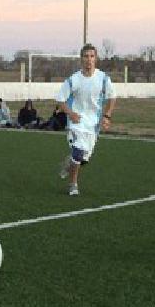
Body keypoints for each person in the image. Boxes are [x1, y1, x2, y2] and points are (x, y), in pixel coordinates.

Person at [56, 43, 117, 196]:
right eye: (85, 56)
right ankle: (73, 185)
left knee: (83, 159)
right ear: (81, 59)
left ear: (95, 59)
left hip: (93, 126)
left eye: (92, 56)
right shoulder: (73, 80)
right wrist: (71, 114)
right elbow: (60, 100)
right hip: (76, 123)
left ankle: (69, 163)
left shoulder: (103, 79)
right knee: (78, 152)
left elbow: (112, 97)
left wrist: (107, 116)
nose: (88, 60)